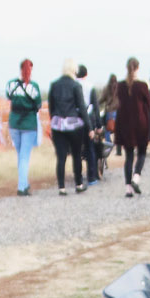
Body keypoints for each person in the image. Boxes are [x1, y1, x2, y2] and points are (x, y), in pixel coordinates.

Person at [48, 58, 89, 195]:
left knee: (61, 157)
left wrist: (54, 118)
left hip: (58, 124)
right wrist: (89, 126)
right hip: (74, 125)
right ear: (74, 70)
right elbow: (82, 107)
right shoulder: (76, 86)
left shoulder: (54, 85)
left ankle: (61, 187)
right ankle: (78, 183)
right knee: (77, 155)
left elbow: (51, 106)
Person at [115, 57, 150, 198]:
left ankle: (128, 189)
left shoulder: (120, 86)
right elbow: (148, 105)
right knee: (142, 153)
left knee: (129, 156)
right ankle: (136, 177)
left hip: (125, 125)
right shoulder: (142, 86)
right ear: (137, 68)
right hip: (140, 124)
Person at [6, 58, 42, 196]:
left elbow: (9, 97)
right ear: (31, 69)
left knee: (20, 154)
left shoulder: (11, 85)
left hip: (14, 123)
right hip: (28, 124)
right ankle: (22, 187)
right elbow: (38, 104)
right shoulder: (34, 87)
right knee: (24, 156)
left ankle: (24, 182)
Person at [76, 64, 102, 184]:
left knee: (76, 150)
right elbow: (95, 107)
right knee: (90, 148)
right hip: (88, 120)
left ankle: (78, 177)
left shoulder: (73, 85)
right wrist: (98, 125)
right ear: (86, 74)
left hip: (75, 119)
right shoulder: (90, 86)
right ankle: (91, 177)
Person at [99, 73, 119, 155]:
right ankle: (119, 148)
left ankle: (108, 145)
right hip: (119, 111)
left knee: (108, 129)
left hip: (110, 111)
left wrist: (95, 103)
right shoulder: (119, 88)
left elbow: (102, 99)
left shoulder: (107, 88)